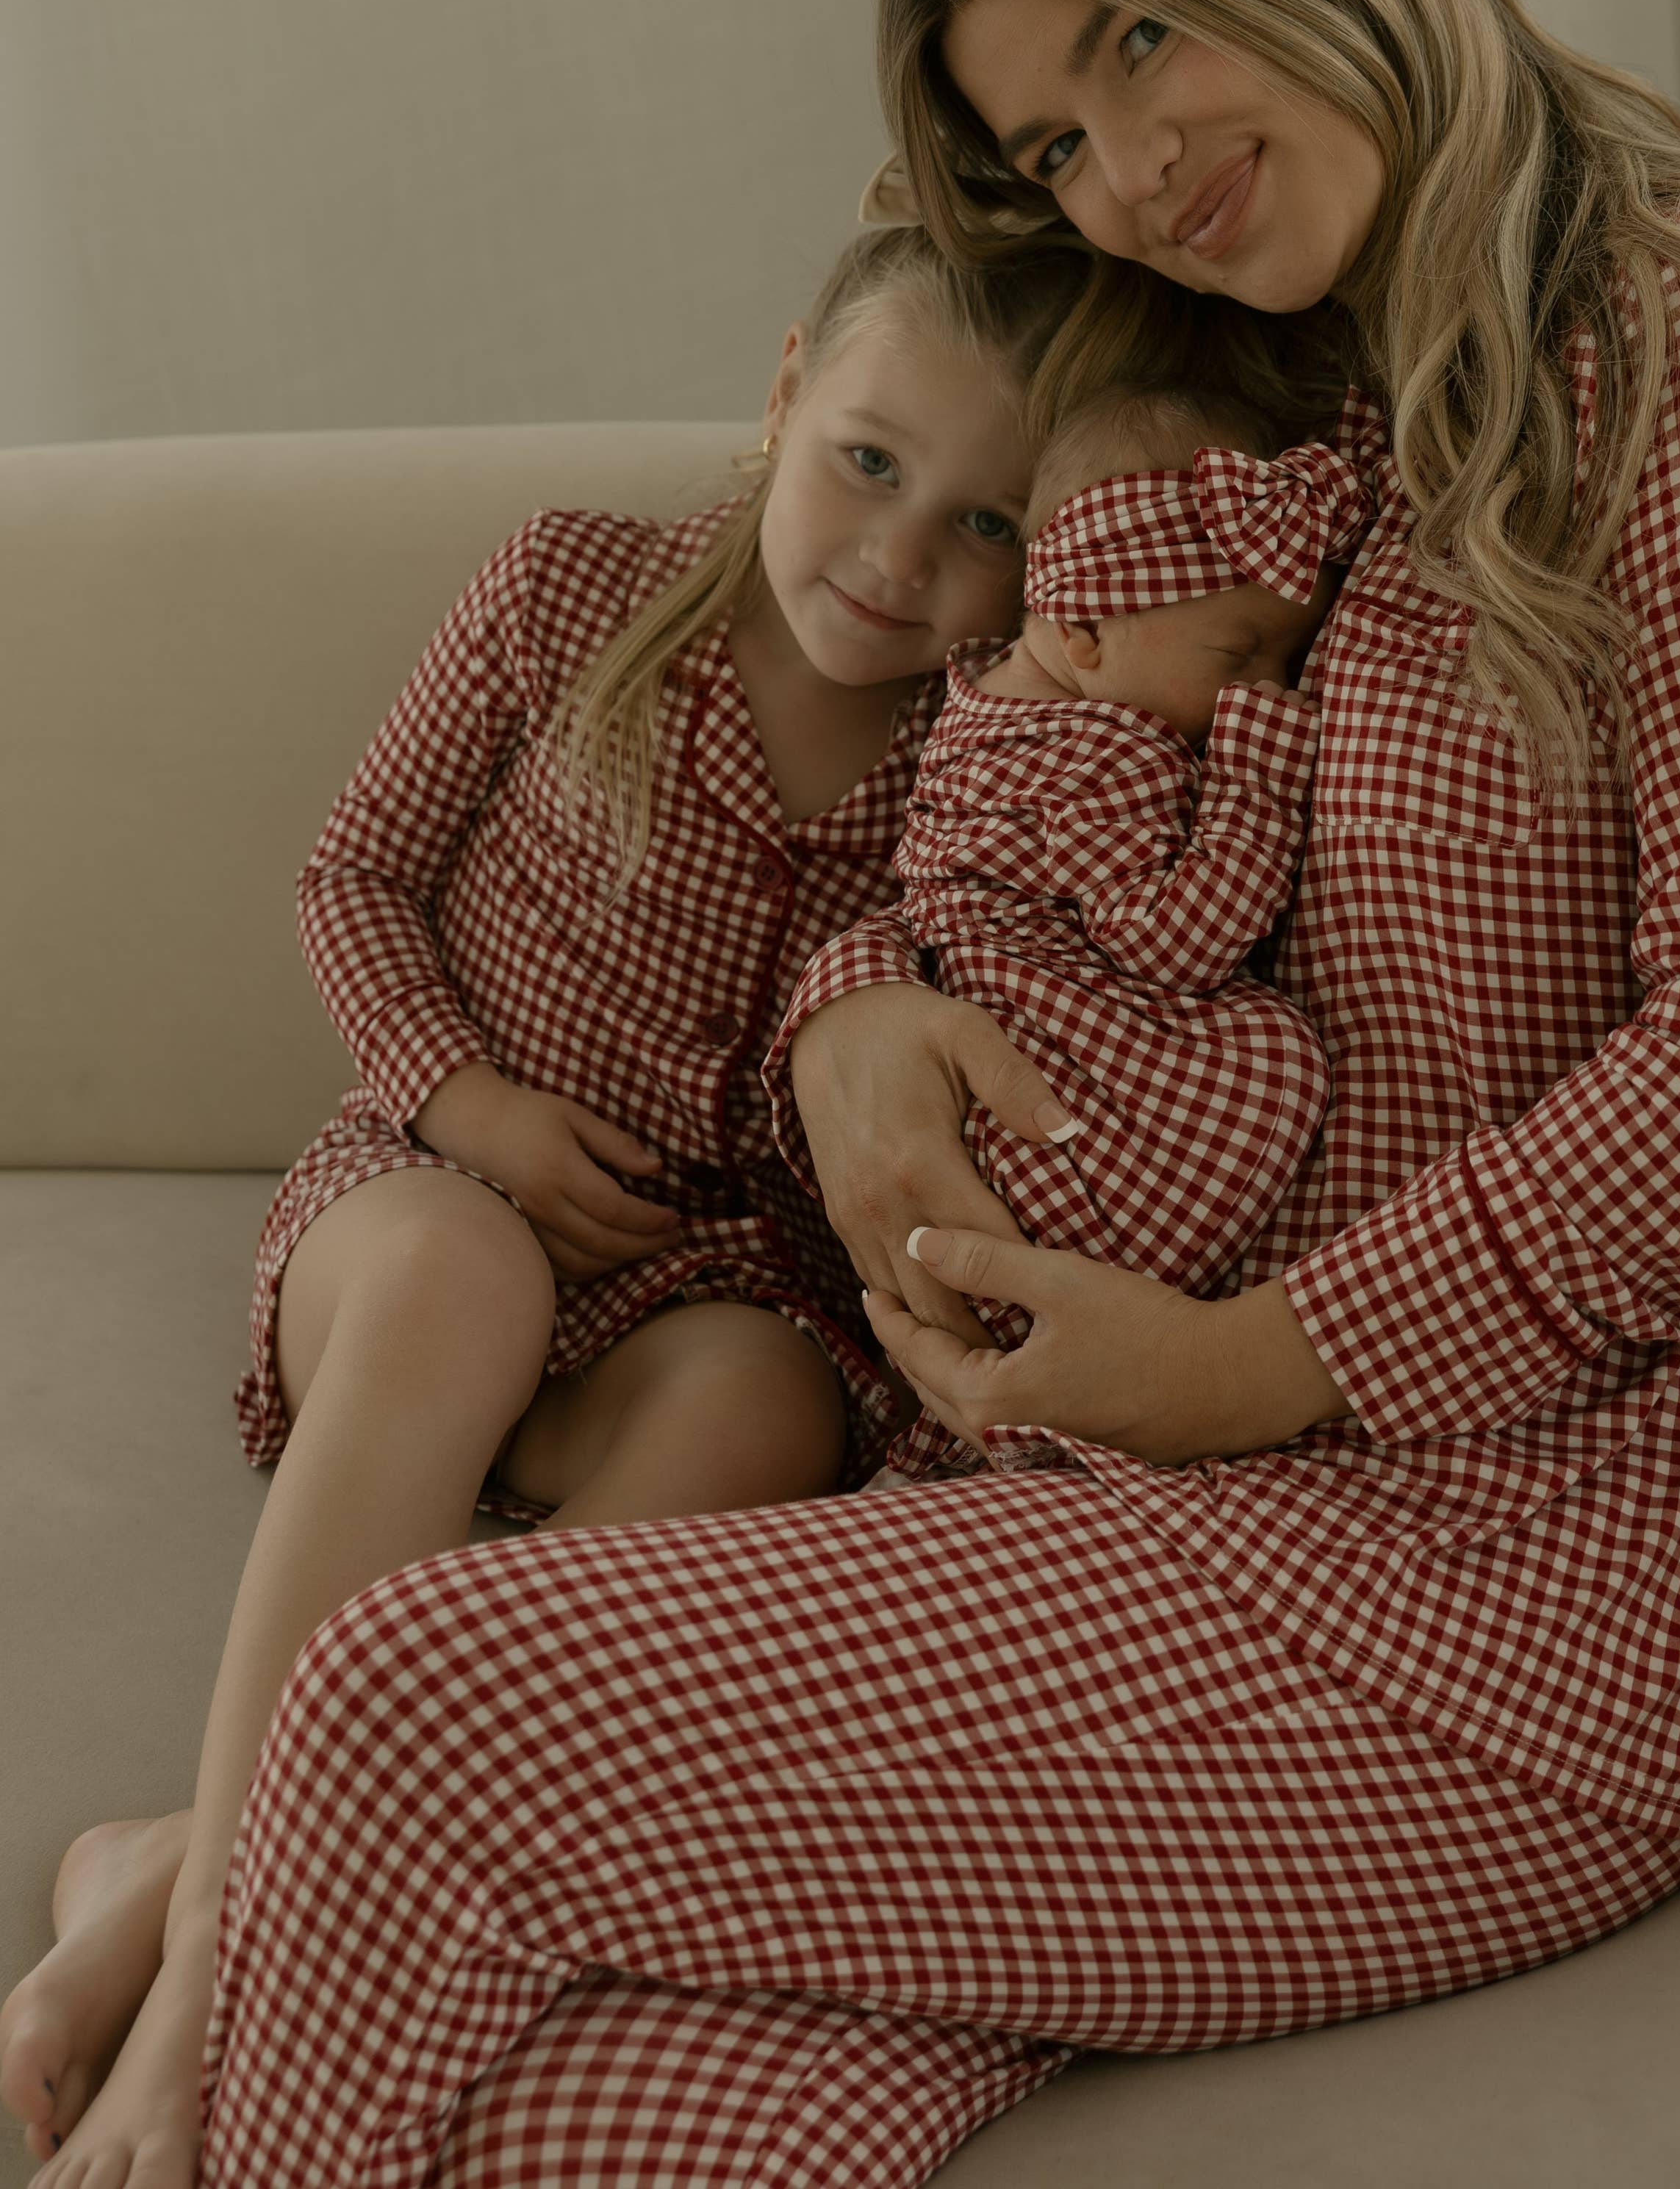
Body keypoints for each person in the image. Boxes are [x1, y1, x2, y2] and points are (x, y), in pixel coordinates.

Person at [88, 0, 1680, 2189]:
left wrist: (1248, 1367)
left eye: (1139, 38)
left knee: (415, 1704)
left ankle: (170, 1948)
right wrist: (861, 1017)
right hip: (1076, 1493)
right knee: (582, 2131)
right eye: (1056, 144)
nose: (1131, 169)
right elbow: (1008, 806)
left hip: (1502, 1604)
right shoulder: (1239, 399)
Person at [1, 220, 1091, 2186]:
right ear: (786, 390)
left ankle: (178, 1851)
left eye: (986, 524)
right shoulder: (564, 589)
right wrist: (470, 1106)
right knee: (459, 1270)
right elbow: (350, 878)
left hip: (700, 1290)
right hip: (418, 1203)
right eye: (867, 461)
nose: (899, 557)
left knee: (764, 1403)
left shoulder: (989, 756)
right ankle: (210, 1976)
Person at [870, 384, 1368, 1472]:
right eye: (1241, 657)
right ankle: (1108, 1338)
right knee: (1267, 1054)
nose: (1272, 690)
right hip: (1062, 1094)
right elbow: (1175, 943)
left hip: (989, 1085)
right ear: (1087, 631)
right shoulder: (1110, 752)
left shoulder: (981, 704)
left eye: (1285, 667)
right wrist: (1258, 777)